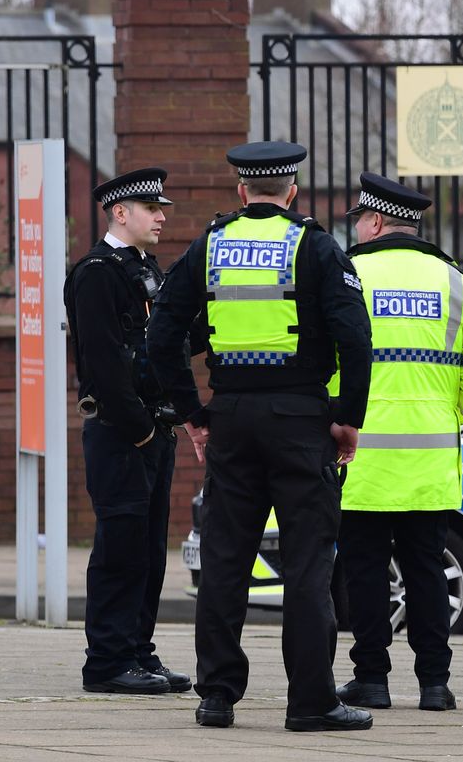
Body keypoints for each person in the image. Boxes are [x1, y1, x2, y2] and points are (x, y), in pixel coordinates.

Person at [145, 142, 374, 731]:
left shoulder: (210, 246)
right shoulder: (317, 246)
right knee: (307, 564)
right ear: (291, 192)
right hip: (301, 421)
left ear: (242, 192)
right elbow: (355, 338)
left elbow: (163, 332)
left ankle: (216, 695)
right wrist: (348, 418)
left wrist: (193, 413)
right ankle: (312, 702)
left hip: (233, 418)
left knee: (224, 560)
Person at [332, 172, 463, 713]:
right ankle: (434, 683)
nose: (355, 230)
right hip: (430, 458)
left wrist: (338, 411)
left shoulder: (350, 275)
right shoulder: (456, 283)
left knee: (363, 571)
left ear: (377, 221)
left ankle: (372, 681)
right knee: (426, 568)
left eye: (359, 221)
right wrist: (455, 407)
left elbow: (325, 359)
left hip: (361, 458)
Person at [64, 168, 191, 695]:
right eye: (151, 208)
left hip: (152, 429)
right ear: (121, 212)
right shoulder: (97, 272)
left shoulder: (145, 269)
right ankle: (108, 662)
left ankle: (139, 651)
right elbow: (103, 362)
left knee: (147, 548)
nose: (162, 216)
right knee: (120, 547)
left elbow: (162, 346)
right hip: (122, 432)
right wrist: (140, 430)